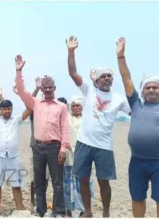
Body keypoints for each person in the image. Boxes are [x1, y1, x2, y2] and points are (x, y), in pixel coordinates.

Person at [66, 36, 131, 217]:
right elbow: (72, 72)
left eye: (110, 75)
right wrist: (71, 51)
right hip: (84, 143)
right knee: (83, 179)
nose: (107, 78)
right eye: (103, 76)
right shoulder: (89, 91)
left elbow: (136, 113)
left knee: (104, 181)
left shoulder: (119, 99)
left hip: (104, 147)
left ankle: (106, 212)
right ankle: (87, 211)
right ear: (96, 80)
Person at [15, 55, 69, 217]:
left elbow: (65, 128)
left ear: (54, 88)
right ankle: (41, 211)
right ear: (42, 89)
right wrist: (19, 71)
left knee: (57, 182)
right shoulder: (36, 103)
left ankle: (58, 211)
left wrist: (63, 148)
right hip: (38, 147)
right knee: (39, 182)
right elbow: (22, 92)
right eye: (45, 87)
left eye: (50, 87)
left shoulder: (62, 107)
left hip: (54, 147)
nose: (47, 89)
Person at [116, 37, 159, 217]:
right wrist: (120, 56)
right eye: (148, 88)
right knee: (137, 197)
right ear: (142, 91)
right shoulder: (135, 104)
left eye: (155, 88)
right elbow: (126, 77)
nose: (151, 90)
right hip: (137, 162)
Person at [0, 75, 32, 216]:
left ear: (11, 109)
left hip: (13, 157)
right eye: (4, 109)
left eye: (9, 109)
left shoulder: (16, 120)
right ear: (1, 110)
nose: (7, 111)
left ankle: (19, 210)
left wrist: (21, 95)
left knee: (16, 185)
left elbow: (29, 108)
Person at [59, 96, 95, 217]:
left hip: (84, 154)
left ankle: (85, 210)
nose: (75, 108)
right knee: (68, 183)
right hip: (69, 154)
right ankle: (67, 209)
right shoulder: (66, 118)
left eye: (78, 105)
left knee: (84, 183)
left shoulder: (88, 118)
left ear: (82, 106)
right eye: (73, 106)